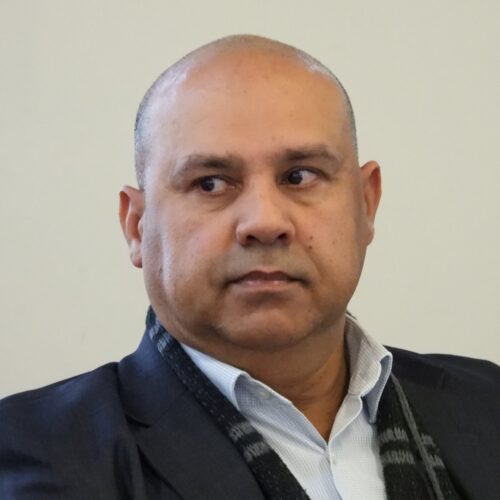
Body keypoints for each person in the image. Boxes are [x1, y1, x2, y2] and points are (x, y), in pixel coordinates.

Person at [0, 35, 498, 500]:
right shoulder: (31, 452)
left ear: (366, 205)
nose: (264, 222)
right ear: (136, 225)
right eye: (211, 183)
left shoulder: (488, 404)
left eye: (299, 176)